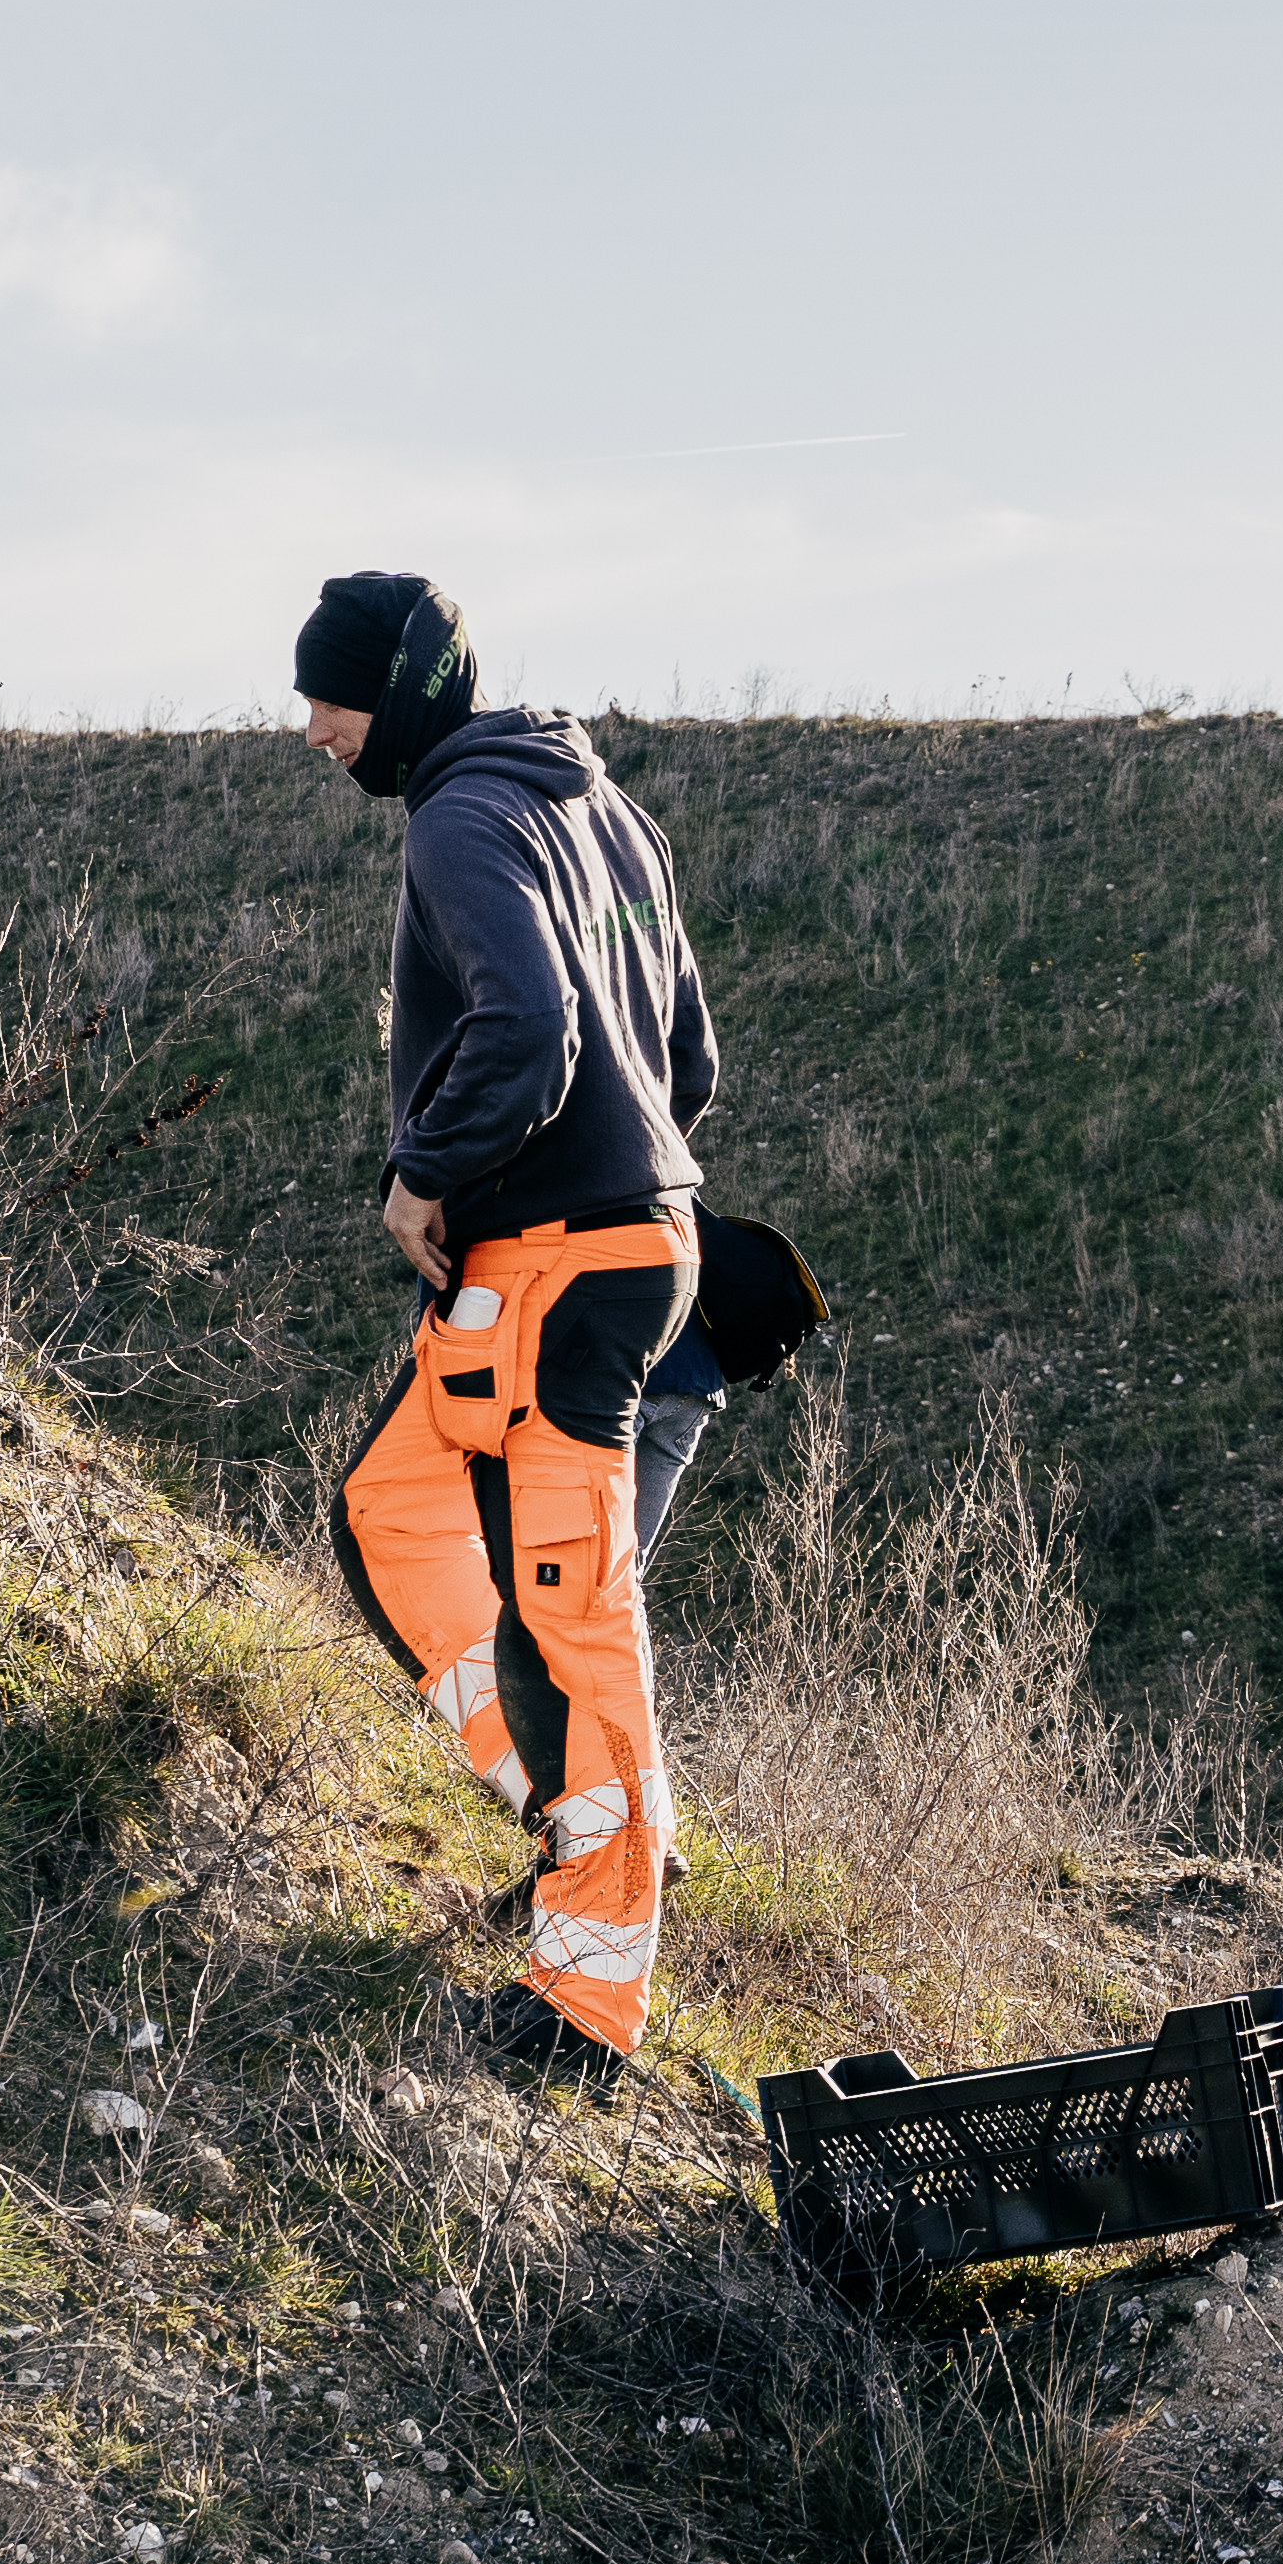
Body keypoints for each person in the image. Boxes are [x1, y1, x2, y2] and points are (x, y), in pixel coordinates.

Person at [304, 572, 716, 2082]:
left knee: (567, 1619)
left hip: (556, 1267)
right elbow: (688, 1047)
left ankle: (585, 1999)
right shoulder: (604, 811)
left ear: (404, 692)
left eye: (331, 699)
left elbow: (527, 1025)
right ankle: (573, 1810)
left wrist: (427, 1172)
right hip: (608, 1244)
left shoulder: (459, 820)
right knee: (391, 1508)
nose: (312, 730)